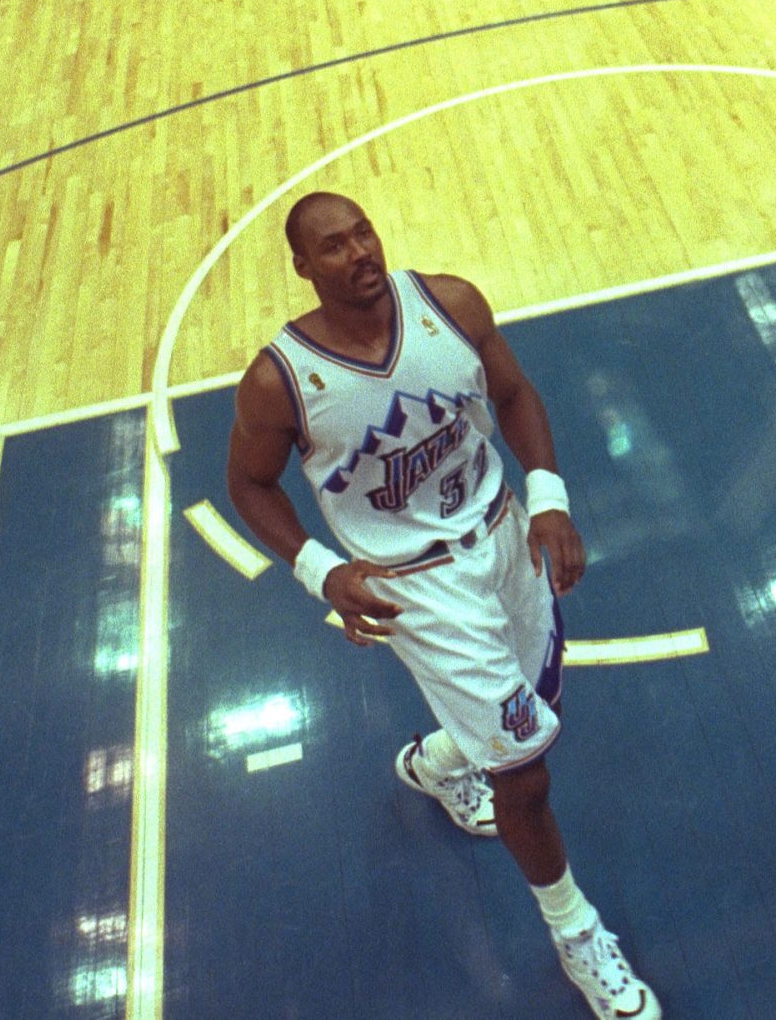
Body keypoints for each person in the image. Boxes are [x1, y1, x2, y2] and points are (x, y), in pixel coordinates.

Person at [224, 194, 661, 1020]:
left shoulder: (450, 306)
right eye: (334, 245)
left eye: (364, 232)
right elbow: (247, 482)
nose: (358, 251)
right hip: (415, 585)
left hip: (504, 537)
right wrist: (321, 570)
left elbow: (517, 394)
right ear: (303, 267)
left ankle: (436, 762)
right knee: (524, 776)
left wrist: (551, 498)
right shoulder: (280, 382)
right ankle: (579, 936)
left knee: (533, 707)